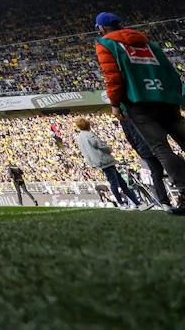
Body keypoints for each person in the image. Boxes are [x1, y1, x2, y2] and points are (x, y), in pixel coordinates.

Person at [94, 11, 185, 214]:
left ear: (102, 28)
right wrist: (176, 96)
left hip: (139, 102)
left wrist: (115, 103)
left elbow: (112, 76)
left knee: (161, 149)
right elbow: (170, 72)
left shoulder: (106, 44)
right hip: (165, 99)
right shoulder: (148, 43)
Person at [72, 117, 138, 208]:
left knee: (120, 182)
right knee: (115, 183)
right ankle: (122, 203)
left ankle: (136, 202)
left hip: (97, 162)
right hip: (104, 160)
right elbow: (101, 145)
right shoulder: (89, 135)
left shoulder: (79, 137)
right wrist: (109, 149)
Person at [119, 115, 169, 208]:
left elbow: (129, 137)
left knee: (156, 175)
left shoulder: (124, 119)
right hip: (157, 143)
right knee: (170, 169)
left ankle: (165, 203)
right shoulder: (137, 112)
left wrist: (138, 150)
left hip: (144, 148)